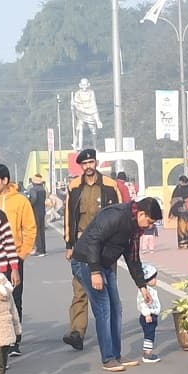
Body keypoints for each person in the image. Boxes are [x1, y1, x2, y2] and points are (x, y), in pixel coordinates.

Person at [71, 196, 160, 372]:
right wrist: (95, 271)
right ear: (141, 213)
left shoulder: (135, 229)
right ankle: (108, 358)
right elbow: (93, 240)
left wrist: (142, 286)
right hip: (86, 262)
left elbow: (133, 258)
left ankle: (116, 354)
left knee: (116, 308)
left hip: (105, 264)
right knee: (104, 309)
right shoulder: (115, 215)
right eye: (149, 222)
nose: (149, 226)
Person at [63, 149, 120, 351]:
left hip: (105, 245)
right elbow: (69, 216)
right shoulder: (74, 187)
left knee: (106, 288)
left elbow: (119, 214)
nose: (88, 166)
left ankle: (110, 333)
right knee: (80, 288)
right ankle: (77, 332)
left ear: (96, 163)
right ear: (81, 166)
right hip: (82, 245)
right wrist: (69, 244)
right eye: (84, 163)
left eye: (91, 162)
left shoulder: (110, 186)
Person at [0, 164, 37, 332]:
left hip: (14, 258)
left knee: (14, 298)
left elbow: (30, 228)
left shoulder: (20, 201)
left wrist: (22, 254)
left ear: (5, 180)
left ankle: (15, 336)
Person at [169, 172, 188, 247]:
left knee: (182, 226)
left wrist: (173, 210)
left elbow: (173, 201)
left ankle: (182, 243)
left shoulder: (178, 189)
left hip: (181, 211)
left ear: (181, 181)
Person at [25, 175, 49, 256]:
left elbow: (34, 199)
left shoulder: (33, 189)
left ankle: (39, 250)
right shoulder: (43, 189)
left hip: (35, 211)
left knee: (36, 230)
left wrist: (29, 204)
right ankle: (43, 249)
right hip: (42, 210)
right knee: (42, 230)